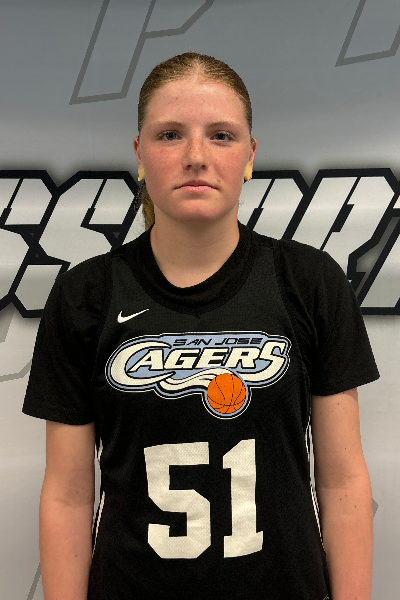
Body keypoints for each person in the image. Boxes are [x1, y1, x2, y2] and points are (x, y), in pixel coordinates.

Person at [23, 52, 379, 600]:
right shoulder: (85, 295)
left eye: (221, 135)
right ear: (139, 154)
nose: (195, 157)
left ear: (250, 155)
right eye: (169, 135)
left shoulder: (309, 282)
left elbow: (342, 481)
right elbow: (68, 497)